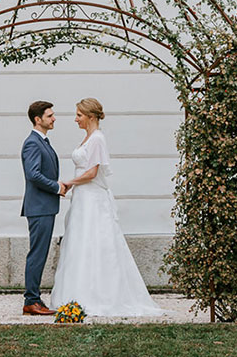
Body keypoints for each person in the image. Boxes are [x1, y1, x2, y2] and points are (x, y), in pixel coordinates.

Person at [50, 98, 166, 316]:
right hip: (83, 199)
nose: (76, 119)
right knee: (80, 243)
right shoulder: (88, 138)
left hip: (92, 198)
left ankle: (99, 295)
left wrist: (68, 183)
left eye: (79, 115)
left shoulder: (97, 139)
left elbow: (92, 173)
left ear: (91, 116)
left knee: (95, 243)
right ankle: (76, 293)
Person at [20, 100, 66, 316]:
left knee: (39, 253)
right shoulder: (32, 143)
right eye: (49, 116)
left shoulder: (43, 142)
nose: (54, 118)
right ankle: (31, 300)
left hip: (45, 206)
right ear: (38, 120)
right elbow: (33, 174)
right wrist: (57, 187)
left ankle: (34, 299)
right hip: (39, 207)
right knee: (37, 254)